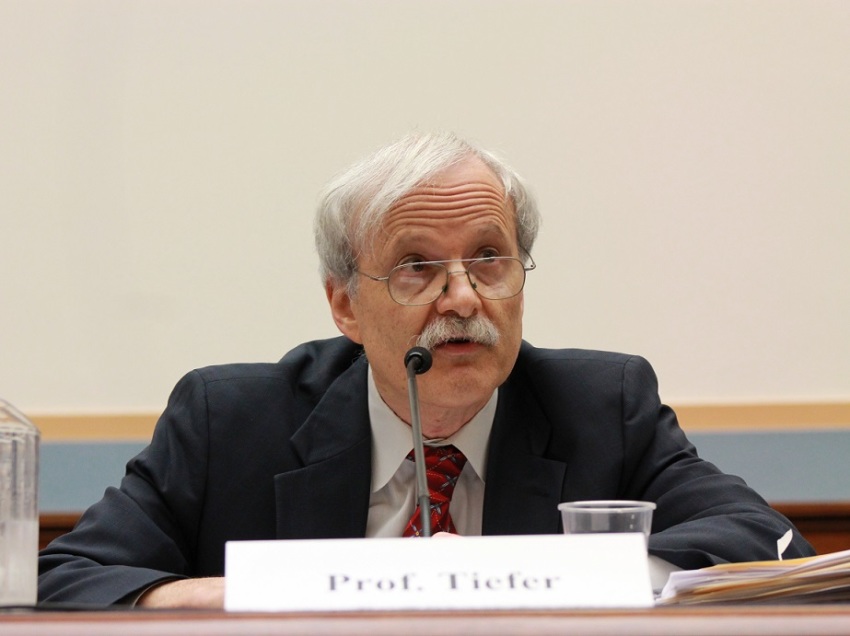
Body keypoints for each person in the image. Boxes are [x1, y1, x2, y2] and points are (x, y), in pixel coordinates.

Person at [38, 132, 814, 608]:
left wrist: (555, 574)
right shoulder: (231, 420)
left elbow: (768, 542)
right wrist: (237, 596)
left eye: (489, 259)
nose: (463, 298)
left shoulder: (600, 406)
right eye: (416, 267)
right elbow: (68, 578)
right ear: (344, 306)